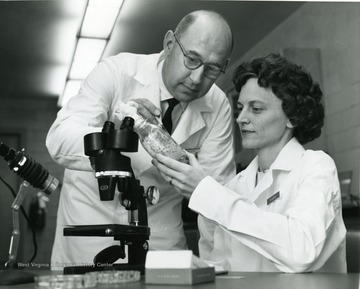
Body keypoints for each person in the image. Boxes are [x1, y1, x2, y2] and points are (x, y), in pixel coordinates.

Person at [46, 10, 235, 269]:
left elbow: (216, 192)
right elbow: (59, 138)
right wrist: (115, 134)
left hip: (161, 234)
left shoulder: (218, 105)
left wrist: (219, 264)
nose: (197, 78)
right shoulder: (116, 71)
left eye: (213, 69)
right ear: (170, 44)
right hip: (93, 227)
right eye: (191, 59)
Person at [152, 53, 347, 273]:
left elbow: (301, 251)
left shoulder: (316, 166)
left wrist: (207, 193)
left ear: (292, 116)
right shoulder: (236, 186)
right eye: (241, 107)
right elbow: (222, 264)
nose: (240, 118)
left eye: (256, 109)